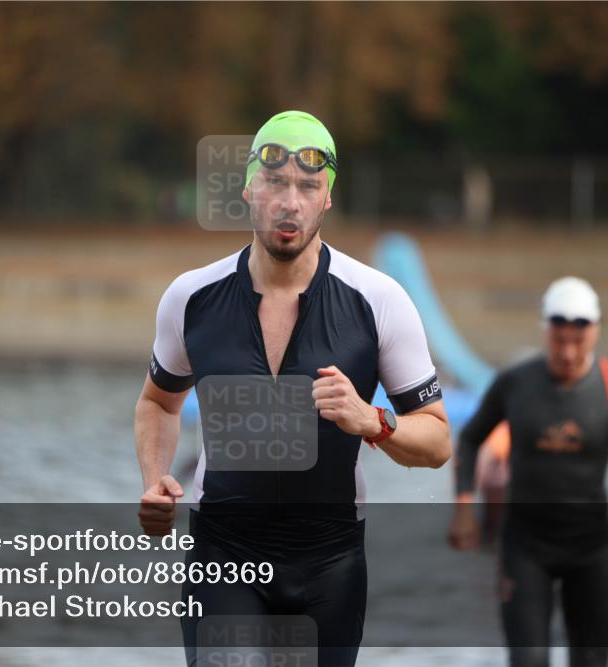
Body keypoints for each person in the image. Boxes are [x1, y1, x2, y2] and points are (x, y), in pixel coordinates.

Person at [134, 110, 452, 667]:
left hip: (330, 562)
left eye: (308, 186)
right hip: (223, 553)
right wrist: (155, 479)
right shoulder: (192, 297)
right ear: (249, 189)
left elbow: (438, 442)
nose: (291, 201)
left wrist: (371, 420)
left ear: (328, 197)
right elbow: (159, 401)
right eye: (276, 182)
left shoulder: (378, 301)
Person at [448, 276, 608, 667]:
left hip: (591, 551)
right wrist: (464, 508)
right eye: (559, 341)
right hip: (524, 548)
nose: (569, 353)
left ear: (596, 333)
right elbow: (470, 439)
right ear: (545, 332)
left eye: (579, 341)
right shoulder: (516, 383)